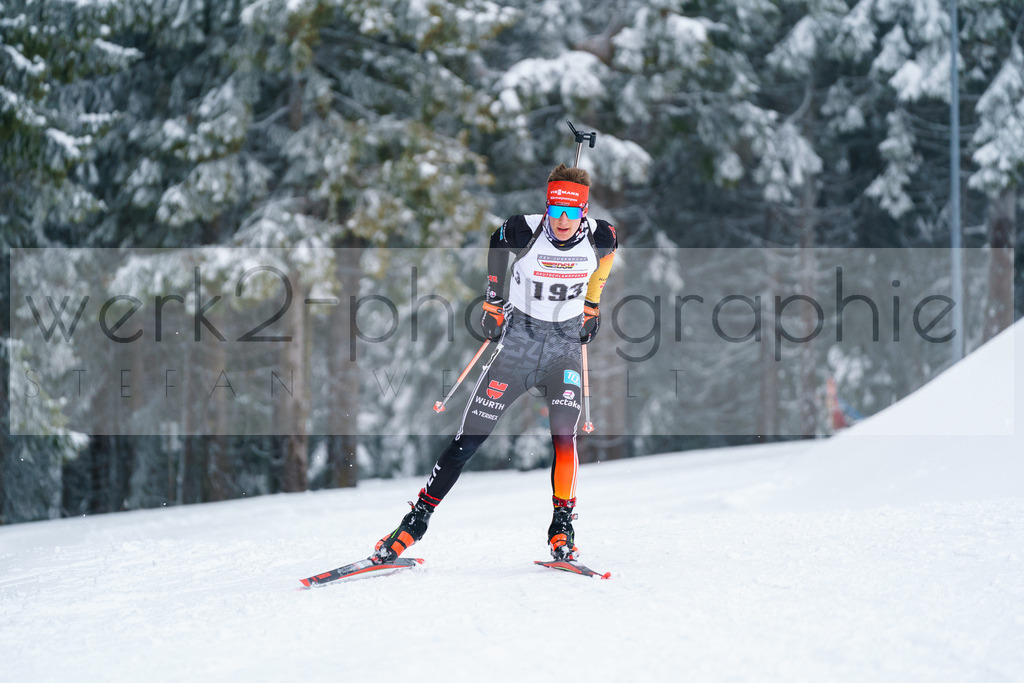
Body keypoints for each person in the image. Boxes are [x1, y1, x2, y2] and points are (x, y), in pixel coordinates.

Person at [372, 163, 618, 563]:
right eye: (555, 210)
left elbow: (608, 255)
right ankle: (415, 522)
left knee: (564, 438)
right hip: (518, 348)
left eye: (571, 213)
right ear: (547, 207)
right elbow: (496, 243)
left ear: (584, 213)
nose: (562, 221)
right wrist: (492, 300)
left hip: (563, 352)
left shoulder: (600, 235)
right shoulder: (525, 228)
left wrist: (592, 303)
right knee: (468, 440)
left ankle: (561, 527)